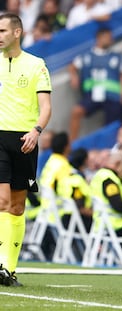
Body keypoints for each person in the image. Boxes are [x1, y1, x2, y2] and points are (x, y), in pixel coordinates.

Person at [0, 13, 52, 286]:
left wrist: (36, 131)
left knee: (18, 207)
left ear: (17, 32)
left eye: (2, 30)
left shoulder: (36, 65)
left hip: (24, 140)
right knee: (2, 201)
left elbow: (46, 108)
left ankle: (9, 269)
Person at [68, 28, 122, 141]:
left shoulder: (117, 57)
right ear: (99, 38)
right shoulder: (86, 56)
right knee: (77, 111)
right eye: (108, 37)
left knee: (112, 125)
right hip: (92, 94)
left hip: (112, 95)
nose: (111, 40)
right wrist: (74, 76)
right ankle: (72, 143)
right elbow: (72, 66)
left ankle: (109, 144)